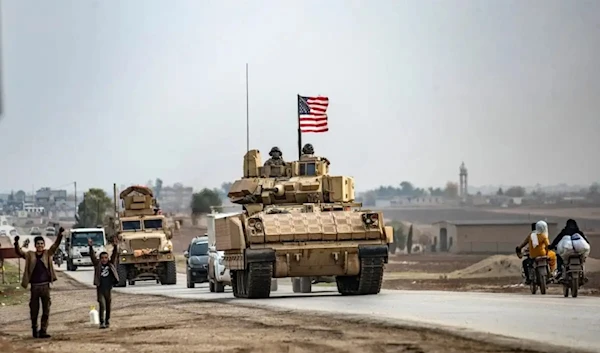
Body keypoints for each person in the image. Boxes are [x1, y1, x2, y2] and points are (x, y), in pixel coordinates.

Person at [13, 227, 65, 338]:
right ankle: (34, 329)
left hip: (45, 286)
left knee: (46, 309)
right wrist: (16, 243)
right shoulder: (30, 255)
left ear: (44, 245)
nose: (40, 245)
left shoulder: (47, 254)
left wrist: (60, 234)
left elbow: (55, 245)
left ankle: (43, 330)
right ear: (35, 245)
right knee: (34, 310)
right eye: (38, 244)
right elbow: (19, 252)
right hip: (35, 287)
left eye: (42, 243)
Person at [89, 236, 119, 329]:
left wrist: (115, 246)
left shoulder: (111, 264)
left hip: (108, 288)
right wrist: (90, 247)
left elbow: (114, 255)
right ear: (100, 258)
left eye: (106, 258)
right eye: (102, 258)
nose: (104, 259)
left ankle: (107, 321)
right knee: (102, 304)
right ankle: (101, 322)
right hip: (100, 288)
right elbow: (92, 256)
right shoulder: (97, 265)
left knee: (108, 305)